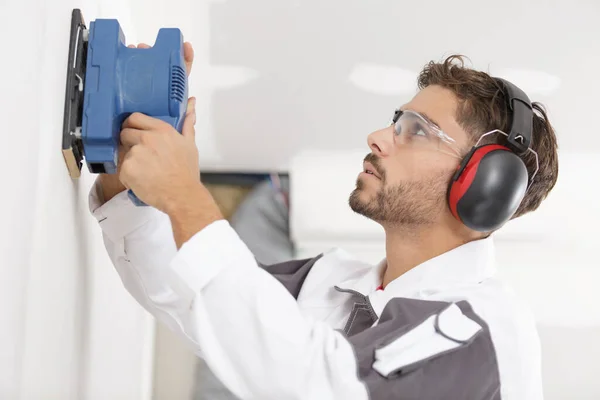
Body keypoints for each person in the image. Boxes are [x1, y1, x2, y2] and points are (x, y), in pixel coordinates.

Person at [91, 42, 558, 400]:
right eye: (396, 121)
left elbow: (321, 384)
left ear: (485, 186)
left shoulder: (485, 330)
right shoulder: (333, 282)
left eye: (416, 130)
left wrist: (186, 196)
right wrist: (123, 168)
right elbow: (191, 297)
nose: (378, 138)